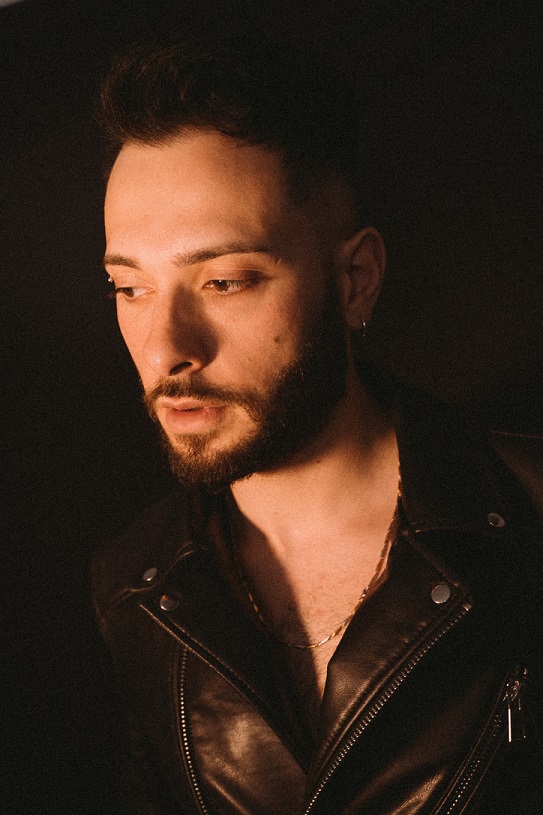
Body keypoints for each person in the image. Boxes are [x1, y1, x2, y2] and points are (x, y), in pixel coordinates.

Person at [92, 35, 543, 814]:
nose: (165, 349)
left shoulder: (526, 519)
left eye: (224, 281)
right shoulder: (133, 587)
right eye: (129, 288)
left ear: (354, 280)